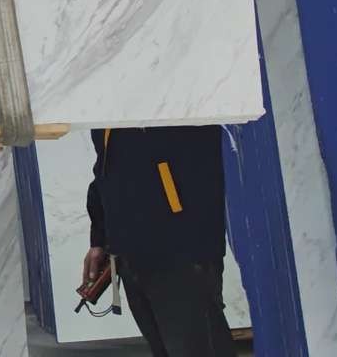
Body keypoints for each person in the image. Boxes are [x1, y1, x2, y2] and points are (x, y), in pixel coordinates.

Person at [83, 125, 233, 357]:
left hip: (180, 245)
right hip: (129, 249)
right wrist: (100, 239)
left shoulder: (175, 104)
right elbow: (105, 167)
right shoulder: (108, 111)